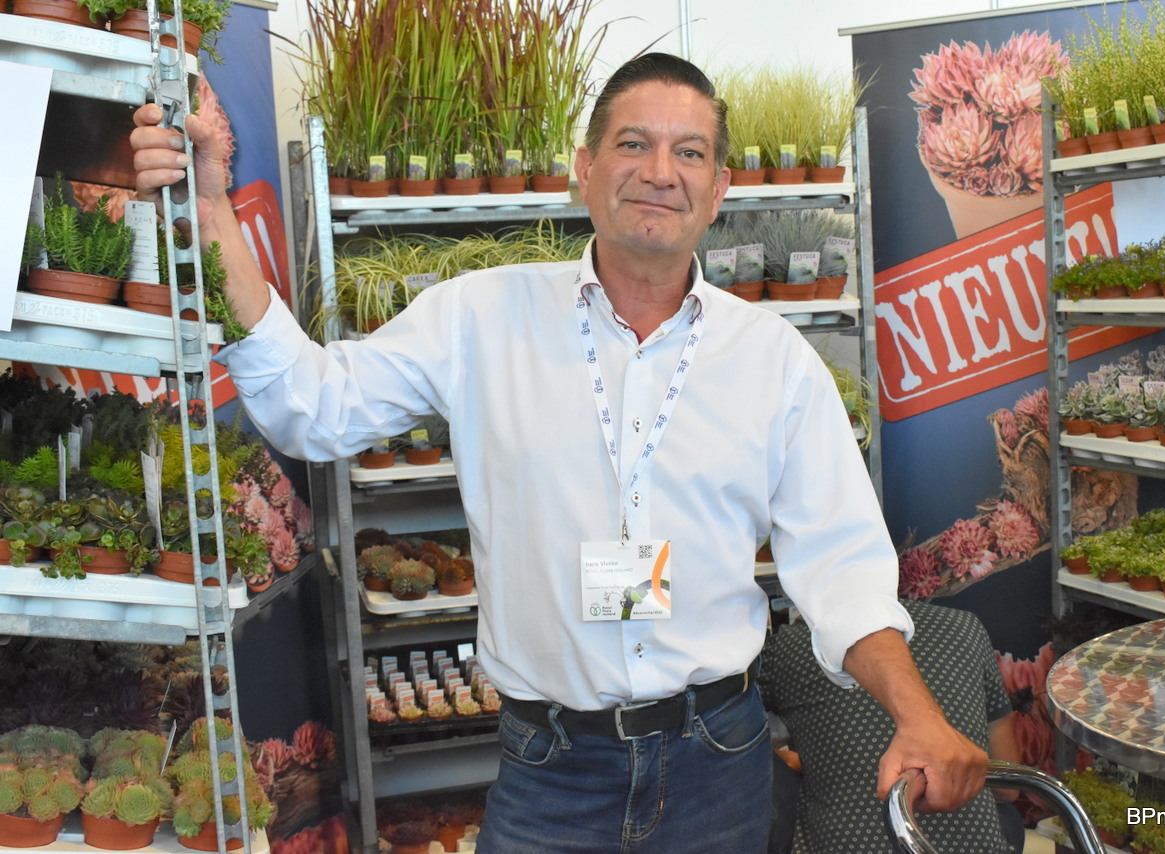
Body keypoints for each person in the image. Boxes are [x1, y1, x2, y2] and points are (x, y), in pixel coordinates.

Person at [132, 52, 987, 852]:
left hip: (719, 764)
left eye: (689, 152)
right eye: (633, 144)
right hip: (550, 776)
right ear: (584, 167)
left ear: (720, 188)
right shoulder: (479, 319)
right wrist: (212, 207)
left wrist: (918, 714)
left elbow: (842, 569)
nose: (661, 171)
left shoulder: (774, 362)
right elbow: (311, 407)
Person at [760, 601, 1023, 854]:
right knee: (1006, 815)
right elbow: (1008, 789)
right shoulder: (965, 625)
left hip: (843, 845)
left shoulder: (785, 644)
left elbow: (743, 743)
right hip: (974, 844)